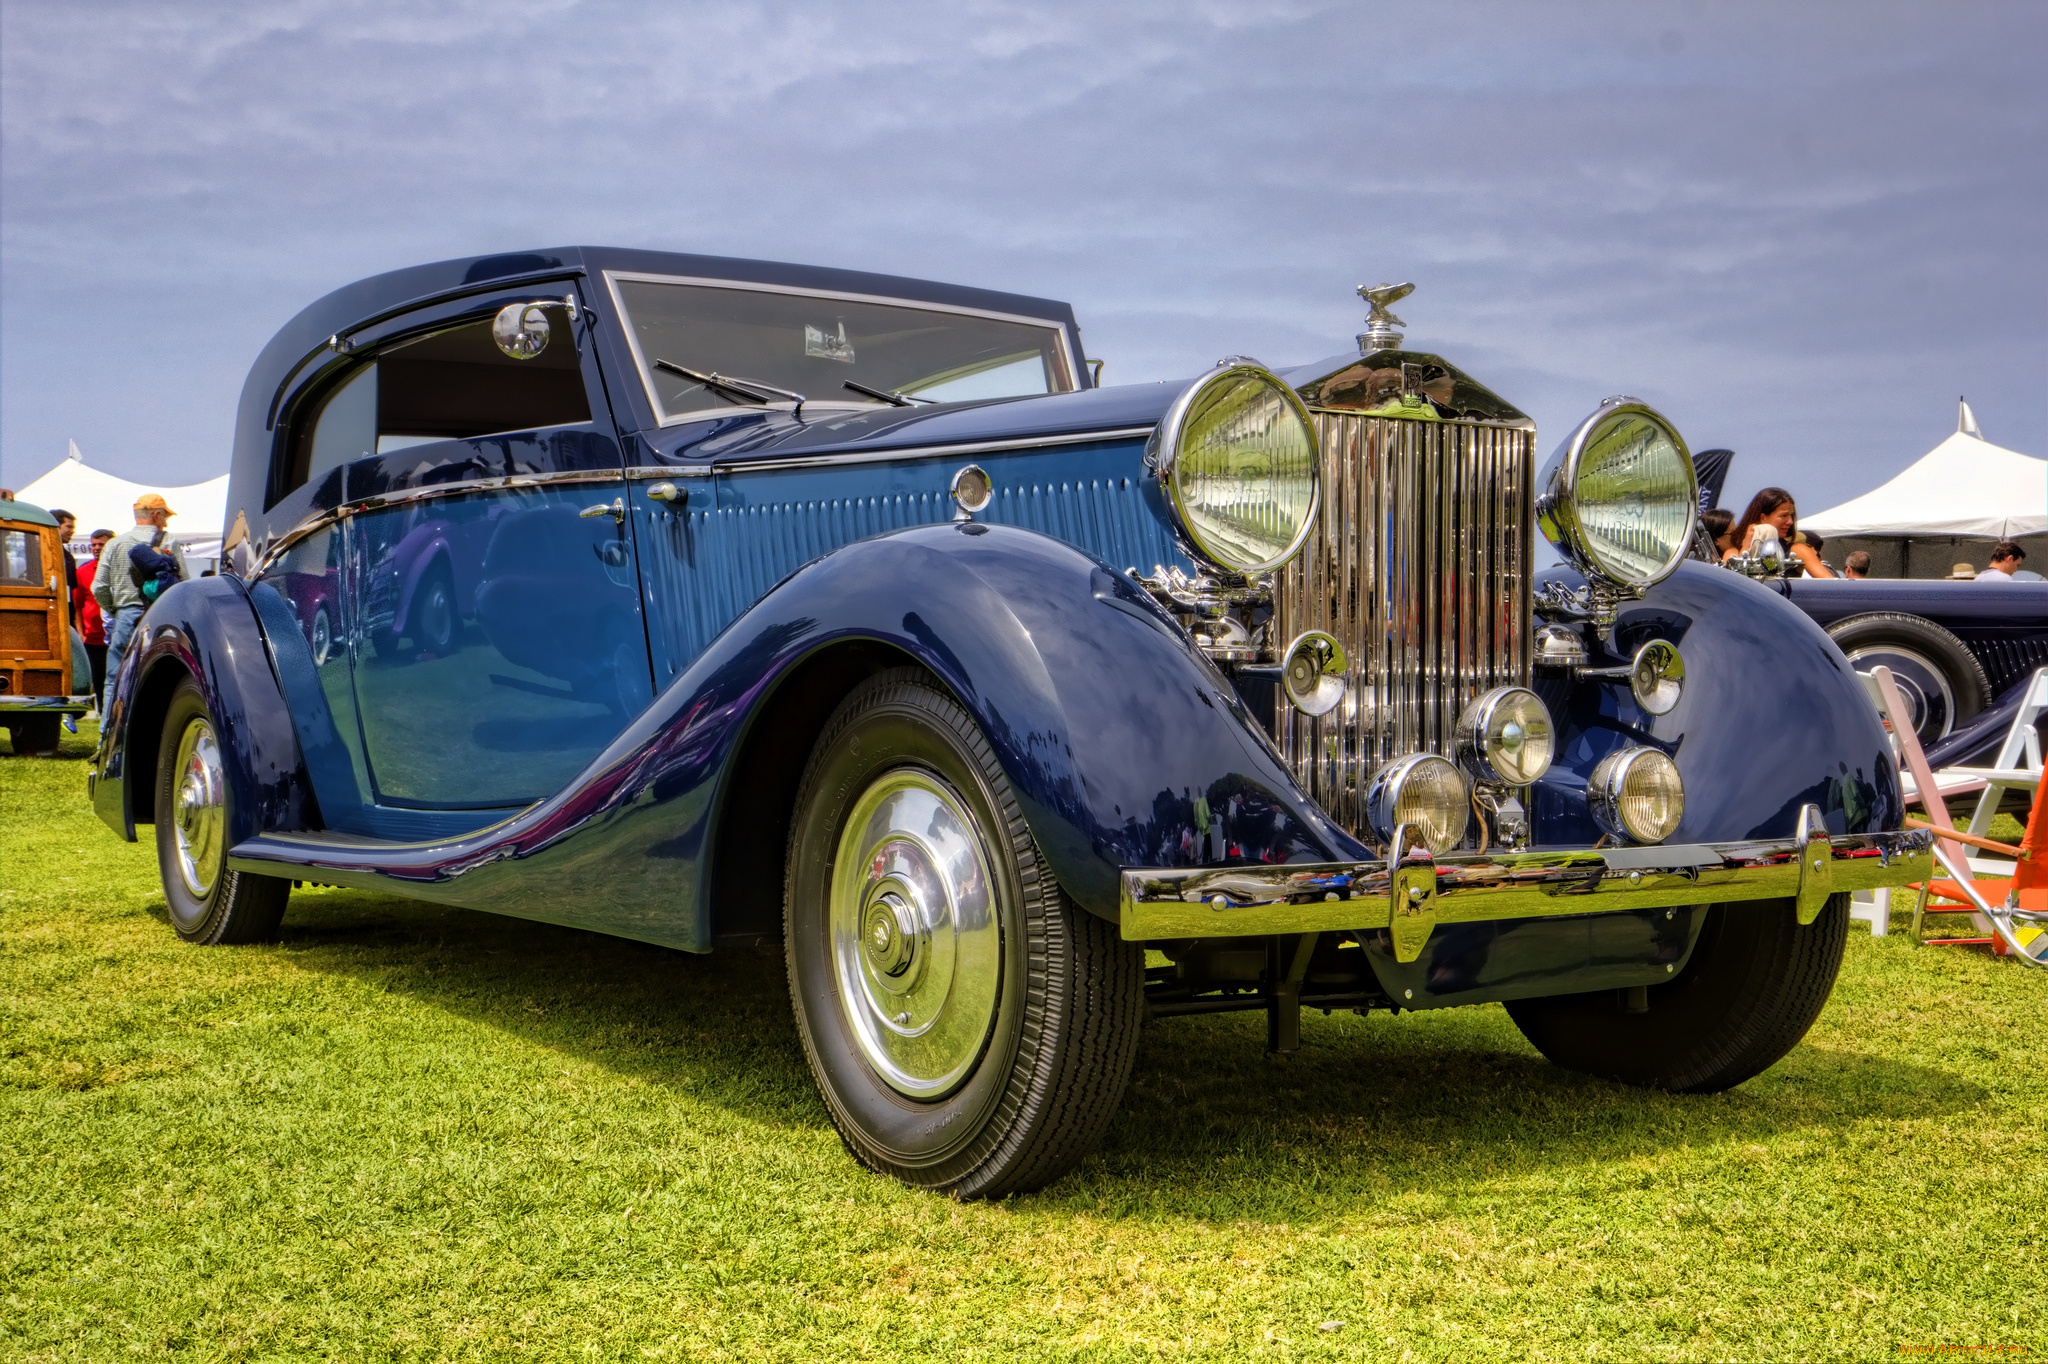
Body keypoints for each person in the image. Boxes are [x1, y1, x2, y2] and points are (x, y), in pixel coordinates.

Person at [92, 494, 185, 717]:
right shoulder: (169, 541)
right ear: (156, 515)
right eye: (165, 516)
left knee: (114, 679)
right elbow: (184, 585)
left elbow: (98, 587)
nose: (166, 522)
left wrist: (116, 610)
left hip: (125, 617)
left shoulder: (114, 544)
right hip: (159, 617)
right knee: (157, 678)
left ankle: (105, 737)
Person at [1726, 487, 1834, 578]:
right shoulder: (1732, 554)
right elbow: (1731, 586)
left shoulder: (1798, 550)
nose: (1790, 522)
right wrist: (1746, 547)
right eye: (1783, 515)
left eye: (1791, 515)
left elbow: (1831, 583)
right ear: (1763, 518)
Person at [76, 530, 112, 705]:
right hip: (92, 636)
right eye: (94, 544)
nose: (96, 548)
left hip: (114, 634)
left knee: (114, 673)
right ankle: (101, 709)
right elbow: (77, 606)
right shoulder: (82, 571)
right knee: (97, 676)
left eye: (101, 544)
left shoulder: (118, 570)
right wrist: (81, 633)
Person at [47, 508, 80, 630]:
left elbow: (72, 590)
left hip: (67, 613)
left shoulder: (67, 556)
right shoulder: (41, 552)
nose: (72, 531)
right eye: (69, 527)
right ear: (57, 526)